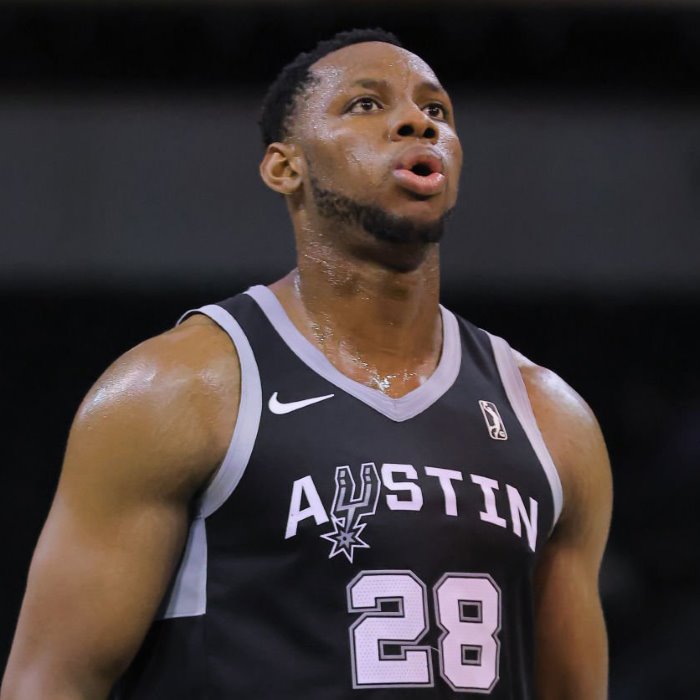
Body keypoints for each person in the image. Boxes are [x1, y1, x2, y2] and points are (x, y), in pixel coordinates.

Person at [1, 28, 612, 700]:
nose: (418, 122)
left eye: (436, 110)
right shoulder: (179, 388)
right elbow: (49, 682)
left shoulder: (550, 418)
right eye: (365, 104)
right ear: (284, 168)